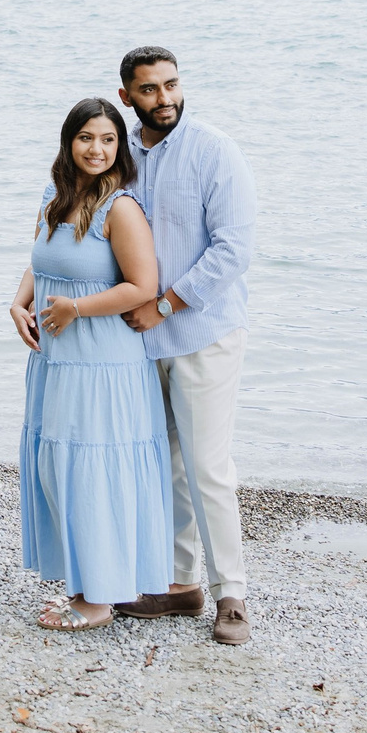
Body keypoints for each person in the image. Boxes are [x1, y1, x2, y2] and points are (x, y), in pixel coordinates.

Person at [109, 46, 257, 646]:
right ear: (127, 96)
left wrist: (165, 304)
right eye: (149, 90)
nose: (164, 99)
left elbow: (233, 249)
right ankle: (179, 584)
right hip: (139, 340)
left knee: (206, 465)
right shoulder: (119, 153)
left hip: (202, 331)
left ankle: (232, 596)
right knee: (164, 461)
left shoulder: (214, 150)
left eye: (171, 85)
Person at [9, 97, 173, 630]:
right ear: (69, 142)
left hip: (105, 366)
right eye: (86, 138)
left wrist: (76, 308)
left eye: (108, 139)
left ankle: (99, 600)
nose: (97, 149)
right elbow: (43, 263)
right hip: (58, 361)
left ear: (120, 146)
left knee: (94, 473)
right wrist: (18, 301)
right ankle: (83, 584)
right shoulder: (55, 198)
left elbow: (141, 287)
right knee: (61, 471)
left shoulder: (120, 209)